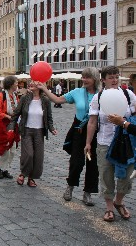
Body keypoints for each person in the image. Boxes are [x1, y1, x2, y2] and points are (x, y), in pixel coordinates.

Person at [37, 67, 100, 205]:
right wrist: (45, 89)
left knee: (93, 164)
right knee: (76, 162)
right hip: (79, 130)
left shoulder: (102, 94)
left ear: (95, 79)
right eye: (83, 77)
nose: (84, 80)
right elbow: (58, 100)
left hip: (96, 132)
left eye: (87, 77)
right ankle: (70, 187)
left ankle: (87, 193)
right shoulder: (77, 92)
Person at [85, 66, 135, 222]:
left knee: (127, 175)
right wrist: (88, 143)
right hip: (104, 141)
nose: (114, 80)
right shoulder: (98, 97)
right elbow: (92, 122)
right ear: (103, 80)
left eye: (116, 77)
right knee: (106, 175)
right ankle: (108, 208)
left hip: (125, 142)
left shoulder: (128, 95)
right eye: (111, 77)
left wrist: (125, 123)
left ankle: (118, 202)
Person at [10, 80, 57, 187]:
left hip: (39, 132)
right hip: (26, 130)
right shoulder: (24, 98)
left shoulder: (45, 101)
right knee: (29, 154)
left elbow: (49, 118)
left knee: (38, 157)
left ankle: (31, 178)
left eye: (34, 82)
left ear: (40, 85)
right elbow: (16, 114)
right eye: (30, 82)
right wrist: (12, 127)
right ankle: (23, 173)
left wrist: (51, 128)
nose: (31, 83)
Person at [0, 75, 19, 179]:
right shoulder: (1, 95)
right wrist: (7, 116)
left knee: (13, 150)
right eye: (16, 82)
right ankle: (0, 169)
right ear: (11, 84)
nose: (17, 84)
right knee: (4, 148)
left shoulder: (15, 96)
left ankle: (5, 168)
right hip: (3, 124)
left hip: (12, 124)